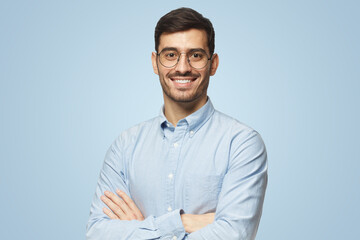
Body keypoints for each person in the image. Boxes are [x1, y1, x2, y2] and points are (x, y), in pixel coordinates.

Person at [86, 7, 267, 240]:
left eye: (196, 55)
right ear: (155, 62)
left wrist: (140, 229)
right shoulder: (125, 145)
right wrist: (181, 222)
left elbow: (234, 235)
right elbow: (98, 233)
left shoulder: (242, 143)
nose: (183, 67)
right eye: (171, 55)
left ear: (213, 64)